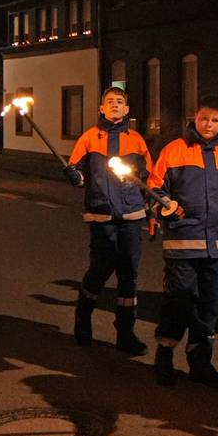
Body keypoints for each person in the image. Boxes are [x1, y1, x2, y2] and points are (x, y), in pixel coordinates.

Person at [148, 95, 218, 389]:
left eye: (214, 120)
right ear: (194, 118)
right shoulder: (174, 151)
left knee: (208, 307)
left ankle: (200, 362)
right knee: (179, 302)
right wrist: (164, 207)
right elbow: (154, 189)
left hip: (217, 247)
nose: (208, 124)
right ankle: (164, 356)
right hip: (182, 244)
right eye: (203, 119)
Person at [64, 87, 153, 354]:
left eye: (120, 102)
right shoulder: (89, 138)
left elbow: (149, 178)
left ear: (127, 109)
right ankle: (83, 319)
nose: (115, 105)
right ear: (101, 108)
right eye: (110, 102)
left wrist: (153, 211)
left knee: (129, 277)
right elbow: (76, 169)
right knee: (100, 271)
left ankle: (125, 333)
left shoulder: (137, 141)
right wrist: (74, 176)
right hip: (101, 214)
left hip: (131, 216)